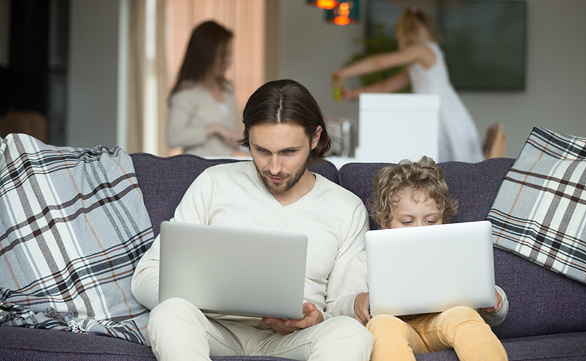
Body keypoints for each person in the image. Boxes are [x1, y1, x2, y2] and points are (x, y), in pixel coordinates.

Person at [132, 79, 374, 361]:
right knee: (169, 315)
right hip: (216, 331)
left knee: (351, 333)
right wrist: (192, 297)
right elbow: (146, 274)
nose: (274, 168)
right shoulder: (215, 183)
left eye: (288, 152)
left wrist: (316, 318)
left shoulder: (346, 208)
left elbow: (345, 301)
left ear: (315, 138)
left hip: (296, 340)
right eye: (261, 151)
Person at [333, 156, 508, 361]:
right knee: (381, 324)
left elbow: (491, 303)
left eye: (431, 221)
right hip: (398, 329)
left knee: (464, 314)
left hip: (442, 324)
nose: (419, 230)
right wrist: (357, 300)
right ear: (385, 222)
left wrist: (495, 301)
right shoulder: (366, 261)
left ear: (443, 219)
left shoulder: (454, 253)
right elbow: (337, 308)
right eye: (407, 221)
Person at [331, 8, 484, 163]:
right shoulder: (417, 61)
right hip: (432, 114)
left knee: (448, 161)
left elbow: (380, 62)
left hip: (442, 114)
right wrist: (352, 93)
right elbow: (388, 86)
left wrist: (345, 72)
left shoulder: (423, 50)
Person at [166, 21, 244, 157]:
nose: (228, 61)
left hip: (225, 169)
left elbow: (236, 137)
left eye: (229, 55)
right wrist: (214, 128)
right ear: (205, 54)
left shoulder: (228, 89)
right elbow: (173, 137)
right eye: (222, 55)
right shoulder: (187, 93)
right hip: (198, 171)